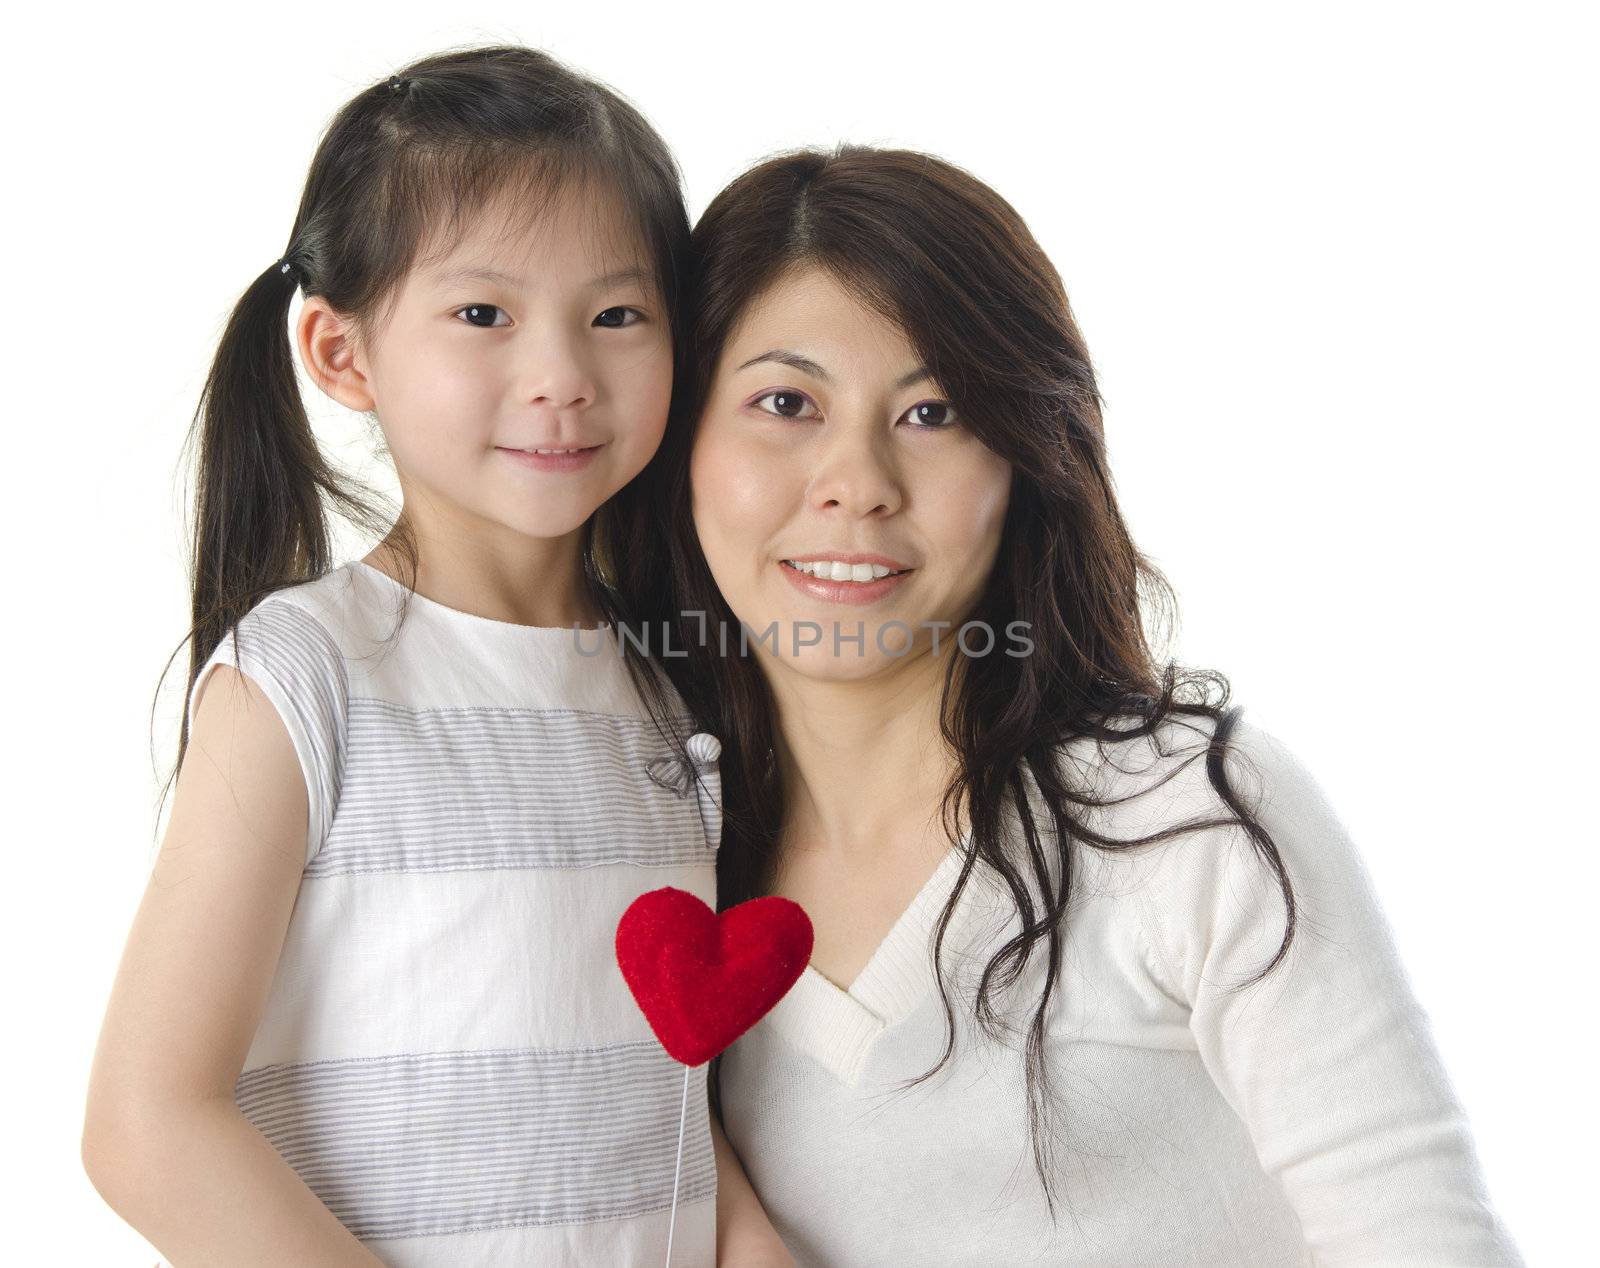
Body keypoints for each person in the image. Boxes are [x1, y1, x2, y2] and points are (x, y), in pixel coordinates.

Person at [616, 144, 1526, 1265]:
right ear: (681, 443)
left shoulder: (1182, 818)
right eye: (785, 402)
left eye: (934, 409)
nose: (855, 480)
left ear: (1024, 456)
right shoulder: (646, 856)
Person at [82, 45, 785, 1266]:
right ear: (342, 354)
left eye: (618, 314)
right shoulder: (302, 676)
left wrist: (750, 1238)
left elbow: (646, 1083)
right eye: (483, 314)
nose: (562, 375)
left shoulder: (672, 696)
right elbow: (147, 1125)